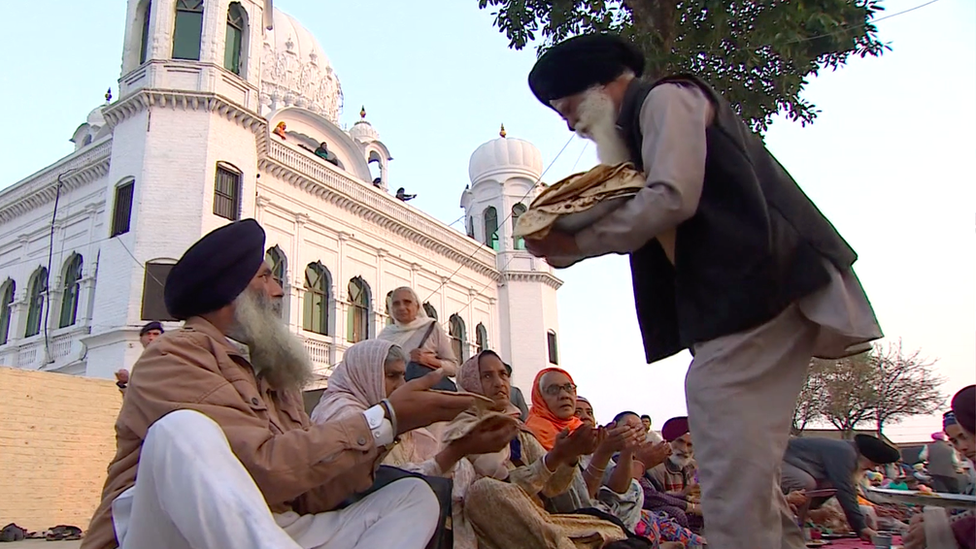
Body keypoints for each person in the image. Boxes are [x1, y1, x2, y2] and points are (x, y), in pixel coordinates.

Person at [524, 33, 883, 549]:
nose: (571, 124)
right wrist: (563, 239)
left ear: (602, 86)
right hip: (742, 306)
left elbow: (671, 197)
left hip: (760, 297)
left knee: (729, 473)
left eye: (570, 107)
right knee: (745, 474)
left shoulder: (668, 99)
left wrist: (576, 242)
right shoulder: (640, 135)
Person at [81, 219, 479, 549]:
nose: (279, 289)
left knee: (412, 498)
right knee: (180, 431)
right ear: (230, 292)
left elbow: (308, 494)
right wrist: (382, 419)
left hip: (272, 529)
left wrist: (391, 430)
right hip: (171, 534)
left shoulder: (274, 374)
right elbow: (260, 469)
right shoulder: (172, 357)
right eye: (266, 276)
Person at [310, 341, 519, 549]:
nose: (402, 385)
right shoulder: (345, 416)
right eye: (392, 376)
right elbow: (384, 482)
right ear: (366, 374)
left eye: (403, 376)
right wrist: (457, 451)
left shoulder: (383, 414)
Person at [447, 352, 630, 548]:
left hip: (538, 520)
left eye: (503, 375)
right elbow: (502, 486)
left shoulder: (519, 430)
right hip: (493, 523)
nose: (500, 383)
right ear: (470, 382)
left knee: (614, 528)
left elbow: (553, 488)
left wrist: (568, 457)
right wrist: (554, 457)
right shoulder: (462, 428)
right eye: (487, 376)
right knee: (483, 490)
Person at [781, 434, 901, 542]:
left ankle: (798, 529)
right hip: (781, 462)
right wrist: (861, 527)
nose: (873, 469)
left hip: (799, 466)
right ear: (866, 457)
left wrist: (879, 505)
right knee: (806, 483)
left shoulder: (849, 452)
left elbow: (850, 489)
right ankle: (792, 533)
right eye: (875, 465)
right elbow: (844, 489)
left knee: (827, 486)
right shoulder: (845, 453)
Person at [905, 385, 976, 549]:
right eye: (955, 441)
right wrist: (938, 518)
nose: (962, 447)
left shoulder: (930, 448)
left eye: (965, 435)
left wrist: (938, 528)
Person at [378, 286, 458, 391]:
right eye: (396, 304)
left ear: (417, 306)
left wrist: (428, 360)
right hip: (395, 395)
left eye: (407, 302)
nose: (401, 307)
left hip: (425, 395)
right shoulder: (385, 335)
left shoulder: (431, 327)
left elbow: (453, 368)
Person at [115, 322, 165, 394]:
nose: (151, 338)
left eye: (156, 334)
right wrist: (124, 383)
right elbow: (136, 396)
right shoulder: (142, 362)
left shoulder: (169, 357)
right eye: (148, 334)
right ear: (141, 339)